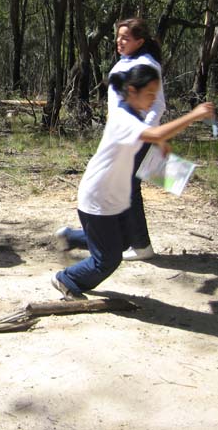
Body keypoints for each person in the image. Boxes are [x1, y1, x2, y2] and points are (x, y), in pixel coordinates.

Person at [51, 65, 214, 300]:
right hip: (97, 196)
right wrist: (194, 115)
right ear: (132, 91)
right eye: (149, 94)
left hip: (113, 195)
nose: (153, 99)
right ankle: (67, 279)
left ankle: (71, 237)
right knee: (107, 260)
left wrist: (161, 144)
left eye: (155, 94)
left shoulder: (136, 117)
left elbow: (149, 136)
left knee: (125, 240)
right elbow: (154, 133)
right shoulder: (122, 117)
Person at [55, 19, 166, 261]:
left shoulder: (147, 64)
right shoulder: (125, 62)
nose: (119, 41)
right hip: (121, 137)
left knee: (128, 188)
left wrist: (142, 133)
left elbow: (158, 105)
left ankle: (139, 245)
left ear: (140, 41)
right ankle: (86, 238)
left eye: (126, 37)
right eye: (118, 36)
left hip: (135, 137)